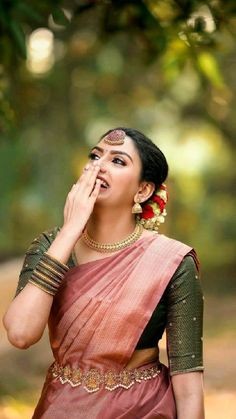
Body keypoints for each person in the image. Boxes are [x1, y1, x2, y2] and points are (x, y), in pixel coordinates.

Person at [3, 128, 204, 419]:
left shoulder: (171, 262)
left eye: (118, 161)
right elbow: (21, 334)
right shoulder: (51, 246)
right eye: (95, 156)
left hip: (143, 409)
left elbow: (187, 385)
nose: (99, 166)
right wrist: (71, 229)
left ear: (143, 190)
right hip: (63, 408)